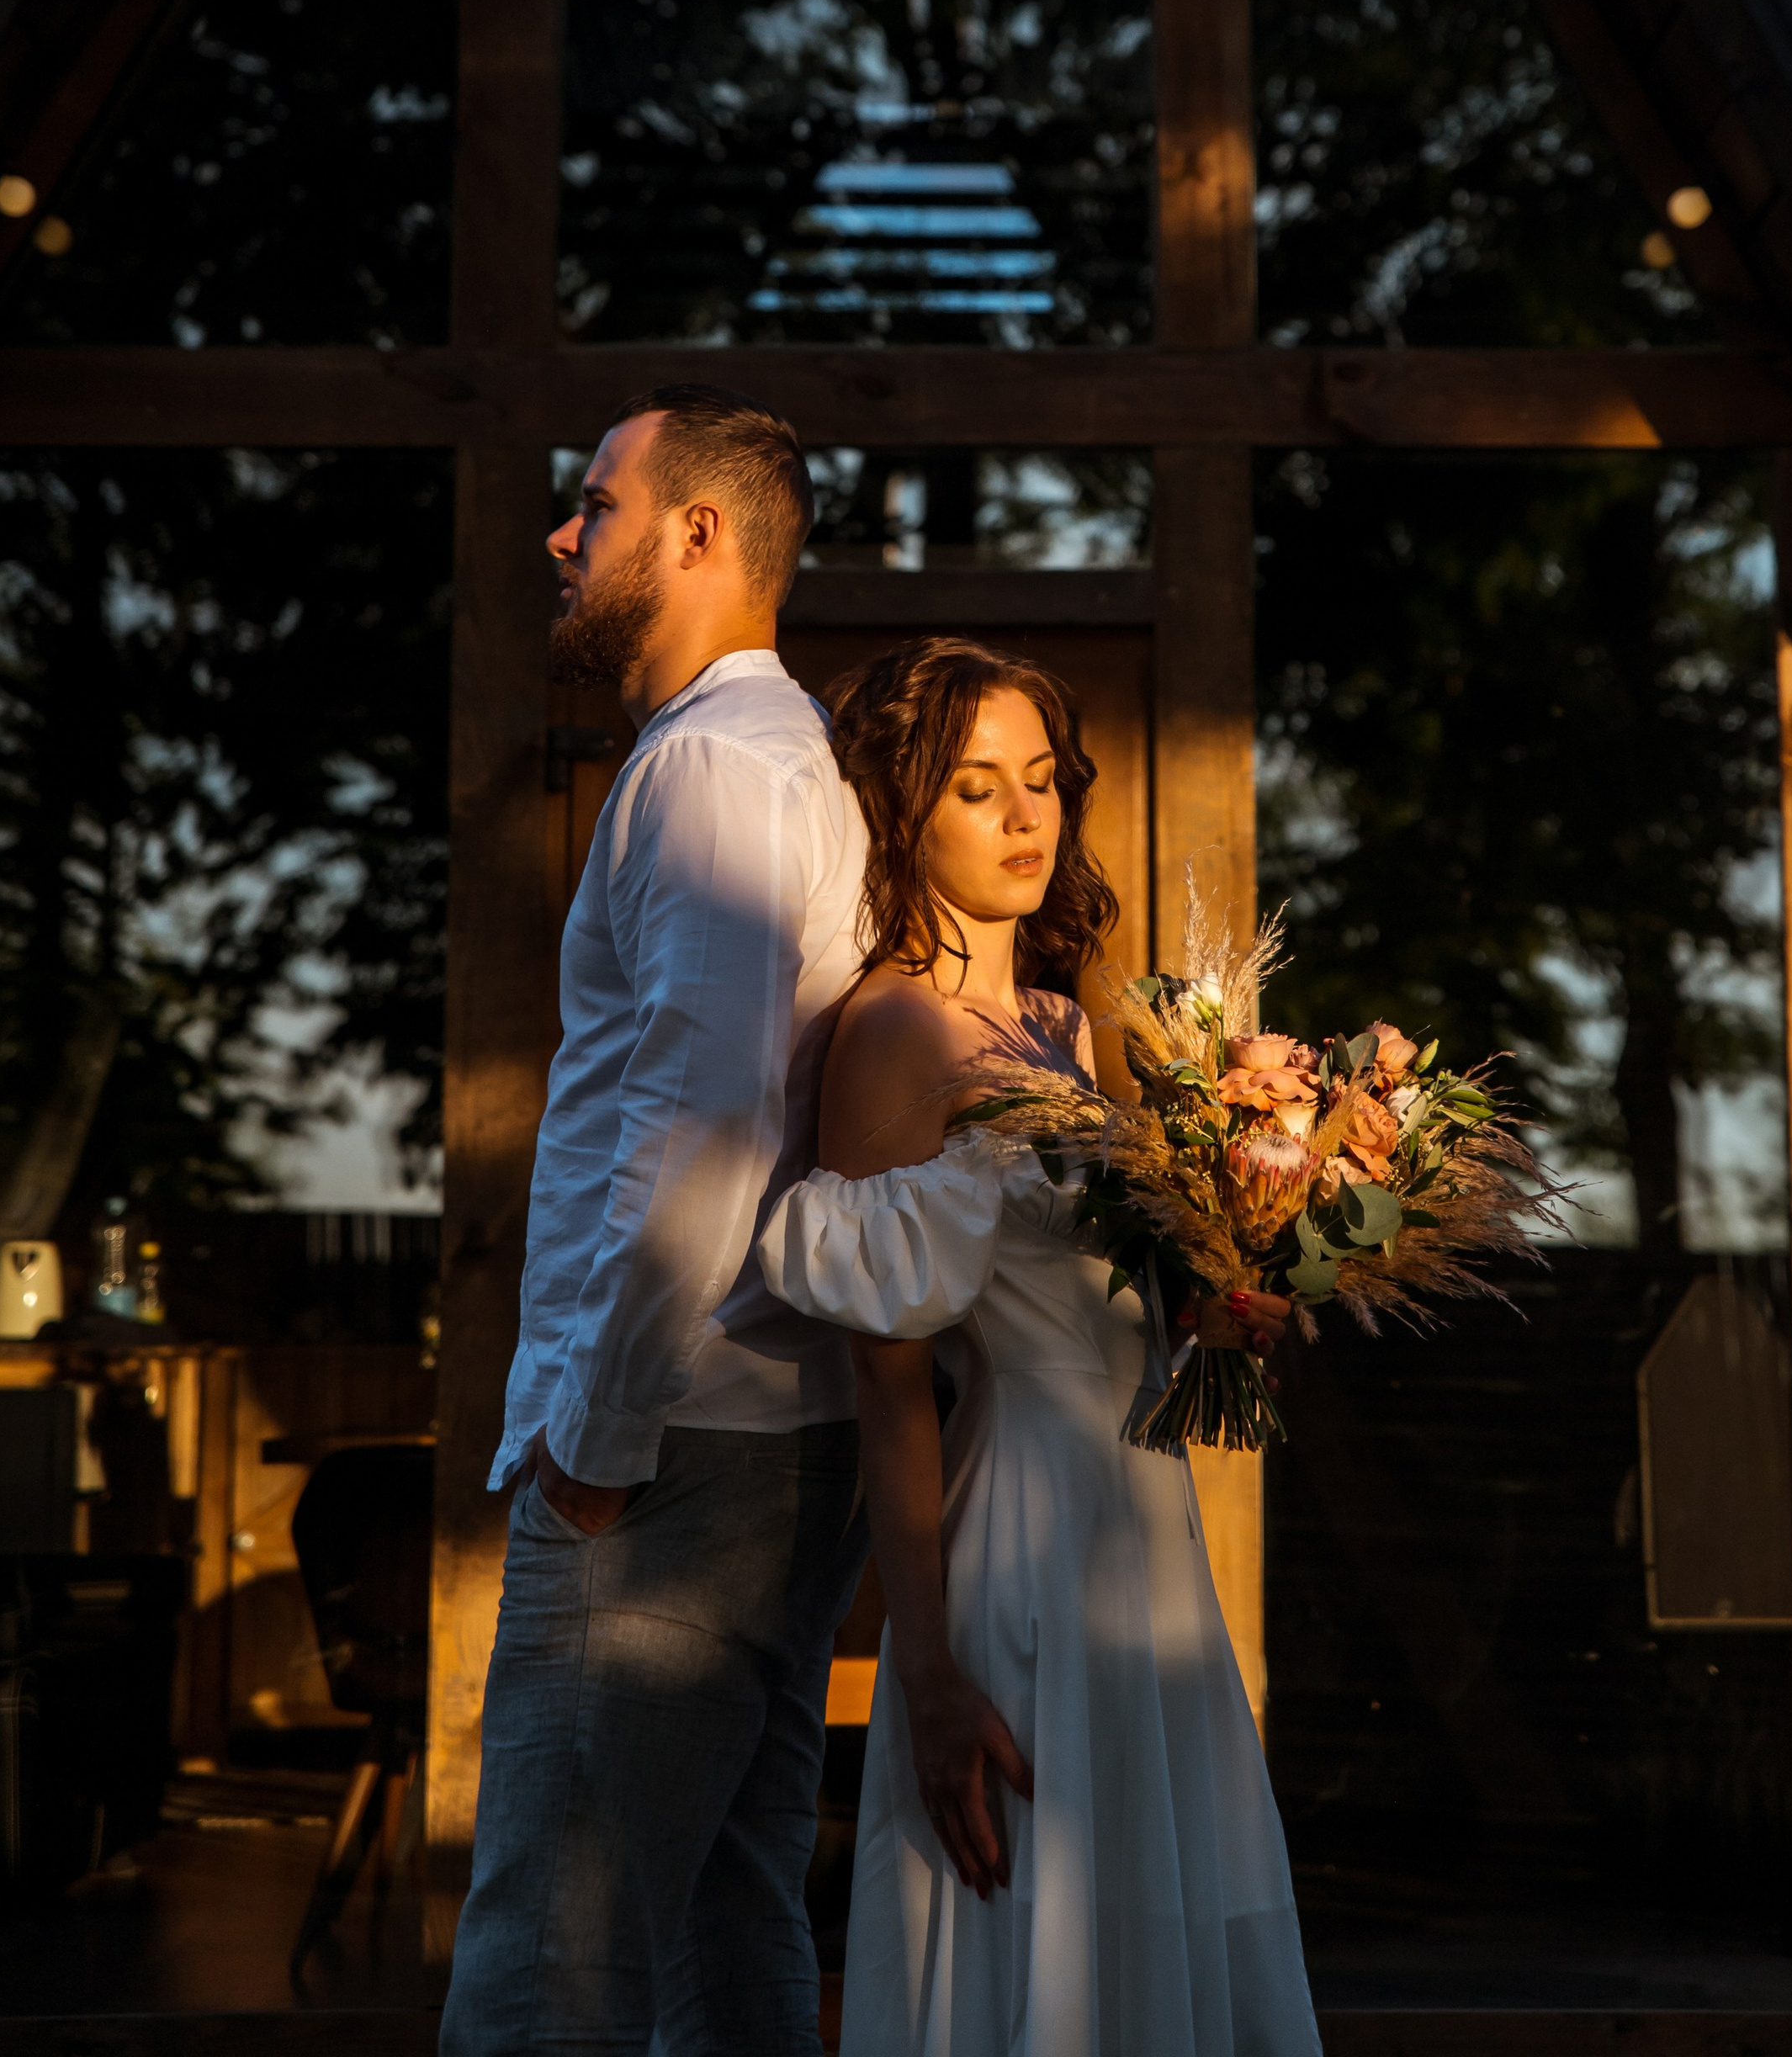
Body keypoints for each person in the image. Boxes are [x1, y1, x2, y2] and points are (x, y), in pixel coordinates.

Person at [756, 637, 1320, 2057]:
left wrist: (1228, 1294)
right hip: (1017, 1536)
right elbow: (891, 1383)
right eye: (975, 788)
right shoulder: (893, 1030)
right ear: (904, 814)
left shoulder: (1066, 1025)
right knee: (1033, 1942)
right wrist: (926, 1667)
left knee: (1143, 1933)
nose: (1025, 817)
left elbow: (1091, 1290)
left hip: (1144, 1537)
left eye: (1043, 780)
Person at [441, 384, 869, 2057]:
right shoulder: (787, 758)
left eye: (596, 501)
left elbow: (704, 1127)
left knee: (548, 1965)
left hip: (671, 1451)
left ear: (699, 532)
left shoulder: (707, 770)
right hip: (767, 1441)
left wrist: (597, 1436)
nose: (561, 533)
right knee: (723, 1935)